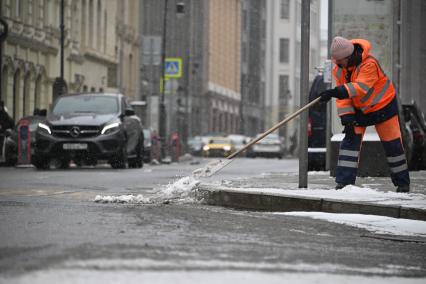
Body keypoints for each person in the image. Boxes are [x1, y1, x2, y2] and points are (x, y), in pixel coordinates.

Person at [319, 36, 410, 192]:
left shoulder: (369, 64)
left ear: (348, 57)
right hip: (360, 110)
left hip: (384, 107)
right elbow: (344, 98)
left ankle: (402, 184)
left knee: (393, 146)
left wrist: (336, 92)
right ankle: (344, 183)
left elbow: (360, 87)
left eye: (339, 61)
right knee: (349, 143)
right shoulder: (339, 69)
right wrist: (347, 116)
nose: (337, 64)